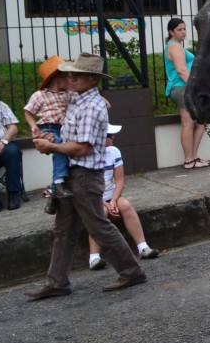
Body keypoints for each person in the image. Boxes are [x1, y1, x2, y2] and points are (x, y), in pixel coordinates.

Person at [26, 53, 146, 299]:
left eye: (77, 75)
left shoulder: (91, 106)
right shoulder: (78, 100)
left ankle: (131, 270)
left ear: (92, 79)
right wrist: (52, 138)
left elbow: (83, 147)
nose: (70, 78)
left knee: (98, 226)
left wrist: (53, 148)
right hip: (74, 173)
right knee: (64, 229)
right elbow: (70, 138)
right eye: (70, 73)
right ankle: (57, 281)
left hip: (85, 174)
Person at [88, 123, 160, 270]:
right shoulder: (87, 156)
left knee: (125, 205)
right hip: (94, 198)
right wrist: (105, 204)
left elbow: (119, 180)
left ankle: (143, 247)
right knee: (101, 213)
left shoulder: (113, 152)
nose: (113, 137)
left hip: (111, 196)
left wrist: (113, 200)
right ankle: (94, 257)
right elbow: (88, 188)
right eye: (109, 135)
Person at [24, 55, 76, 204]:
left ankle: (54, 192)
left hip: (65, 128)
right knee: (59, 147)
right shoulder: (39, 96)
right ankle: (58, 182)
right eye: (67, 77)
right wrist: (34, 127)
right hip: (49, 128)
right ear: (57, 78)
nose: (70, 80)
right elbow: (28, 111)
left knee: (69, 148)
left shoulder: (69, 94)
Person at [164, 17, 209, 169]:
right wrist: (195, 88)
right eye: (179, 30)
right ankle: (189, 160)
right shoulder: (175, 47)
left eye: (184, 29)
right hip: (182, 88)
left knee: (200, 123)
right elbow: (182, 70)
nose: (183, 32)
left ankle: (193, 158)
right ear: (171, 32)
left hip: (183, 88)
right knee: (188, 123)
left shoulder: (175, 46)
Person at [0, 99, 23, 213]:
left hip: (4, 143)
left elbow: (13, 128)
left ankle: (13, 193)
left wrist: (2, 142)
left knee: (12, 152)